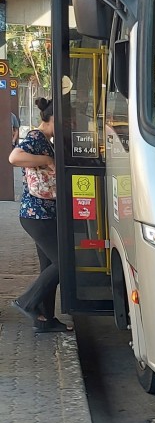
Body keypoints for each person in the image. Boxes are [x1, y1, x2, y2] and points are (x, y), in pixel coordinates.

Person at [8, 97, 72, 333]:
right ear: (52, 118)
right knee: (63, 262)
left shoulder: (48, 140)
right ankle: (26, 302)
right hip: (36, 214)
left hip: (46, 213)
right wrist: (46, 159)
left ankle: (44, 320)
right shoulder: (36, 137)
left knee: (49, 266)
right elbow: (14, 158)